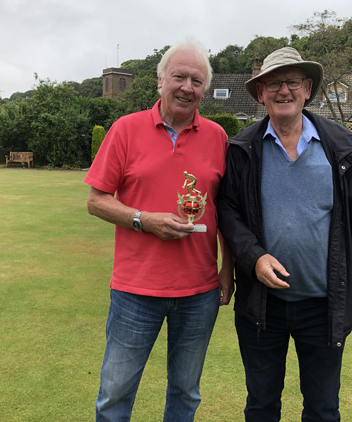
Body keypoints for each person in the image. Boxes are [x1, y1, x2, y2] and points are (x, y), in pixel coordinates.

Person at [217, 47, 352, 421]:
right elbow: (228, 210)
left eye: (292, 82)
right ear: (260, 94)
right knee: (260, 406)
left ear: (307, 89)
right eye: (273, 83)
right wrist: (254, 256)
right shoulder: (242, 148)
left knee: (322, 410)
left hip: (323, 306)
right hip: (262, 306)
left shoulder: (341, 146)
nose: (283, 91)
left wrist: (337, 267)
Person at [85, 40, 234, 422]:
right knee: (115, 396)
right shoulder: (125, 129)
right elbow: (97, 200)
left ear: (205, 89)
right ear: (160, 81)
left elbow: (228, 212)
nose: (187, 87)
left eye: (197, 81)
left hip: (199, 292)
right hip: (136, 290)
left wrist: (227, 269)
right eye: (179, 77)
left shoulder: (218, 137)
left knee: (185, 394)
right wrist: (143, 220)